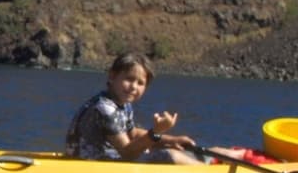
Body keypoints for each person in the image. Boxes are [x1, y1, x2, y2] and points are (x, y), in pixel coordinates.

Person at [65, 53, 204, 164]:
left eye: (140, 83)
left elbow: (133, 134)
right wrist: (156, 132)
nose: (134, 87)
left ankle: (210, 164)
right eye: (129, 79)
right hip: (88, 167)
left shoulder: (123, 104)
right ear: (112, 76)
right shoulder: (105, 108)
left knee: (173, 150)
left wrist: (171, 140)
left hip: (107, 160)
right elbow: (127, 153)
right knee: (170, 156)